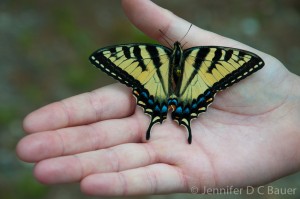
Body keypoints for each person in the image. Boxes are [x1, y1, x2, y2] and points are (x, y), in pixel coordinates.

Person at [16, 0, 300, 196]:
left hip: (164, 90)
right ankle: (182, 120)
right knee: (179, 104)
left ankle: (158, 120)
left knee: (157, 107)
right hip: (193, 91)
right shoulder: (207, 59)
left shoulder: (152, 57)